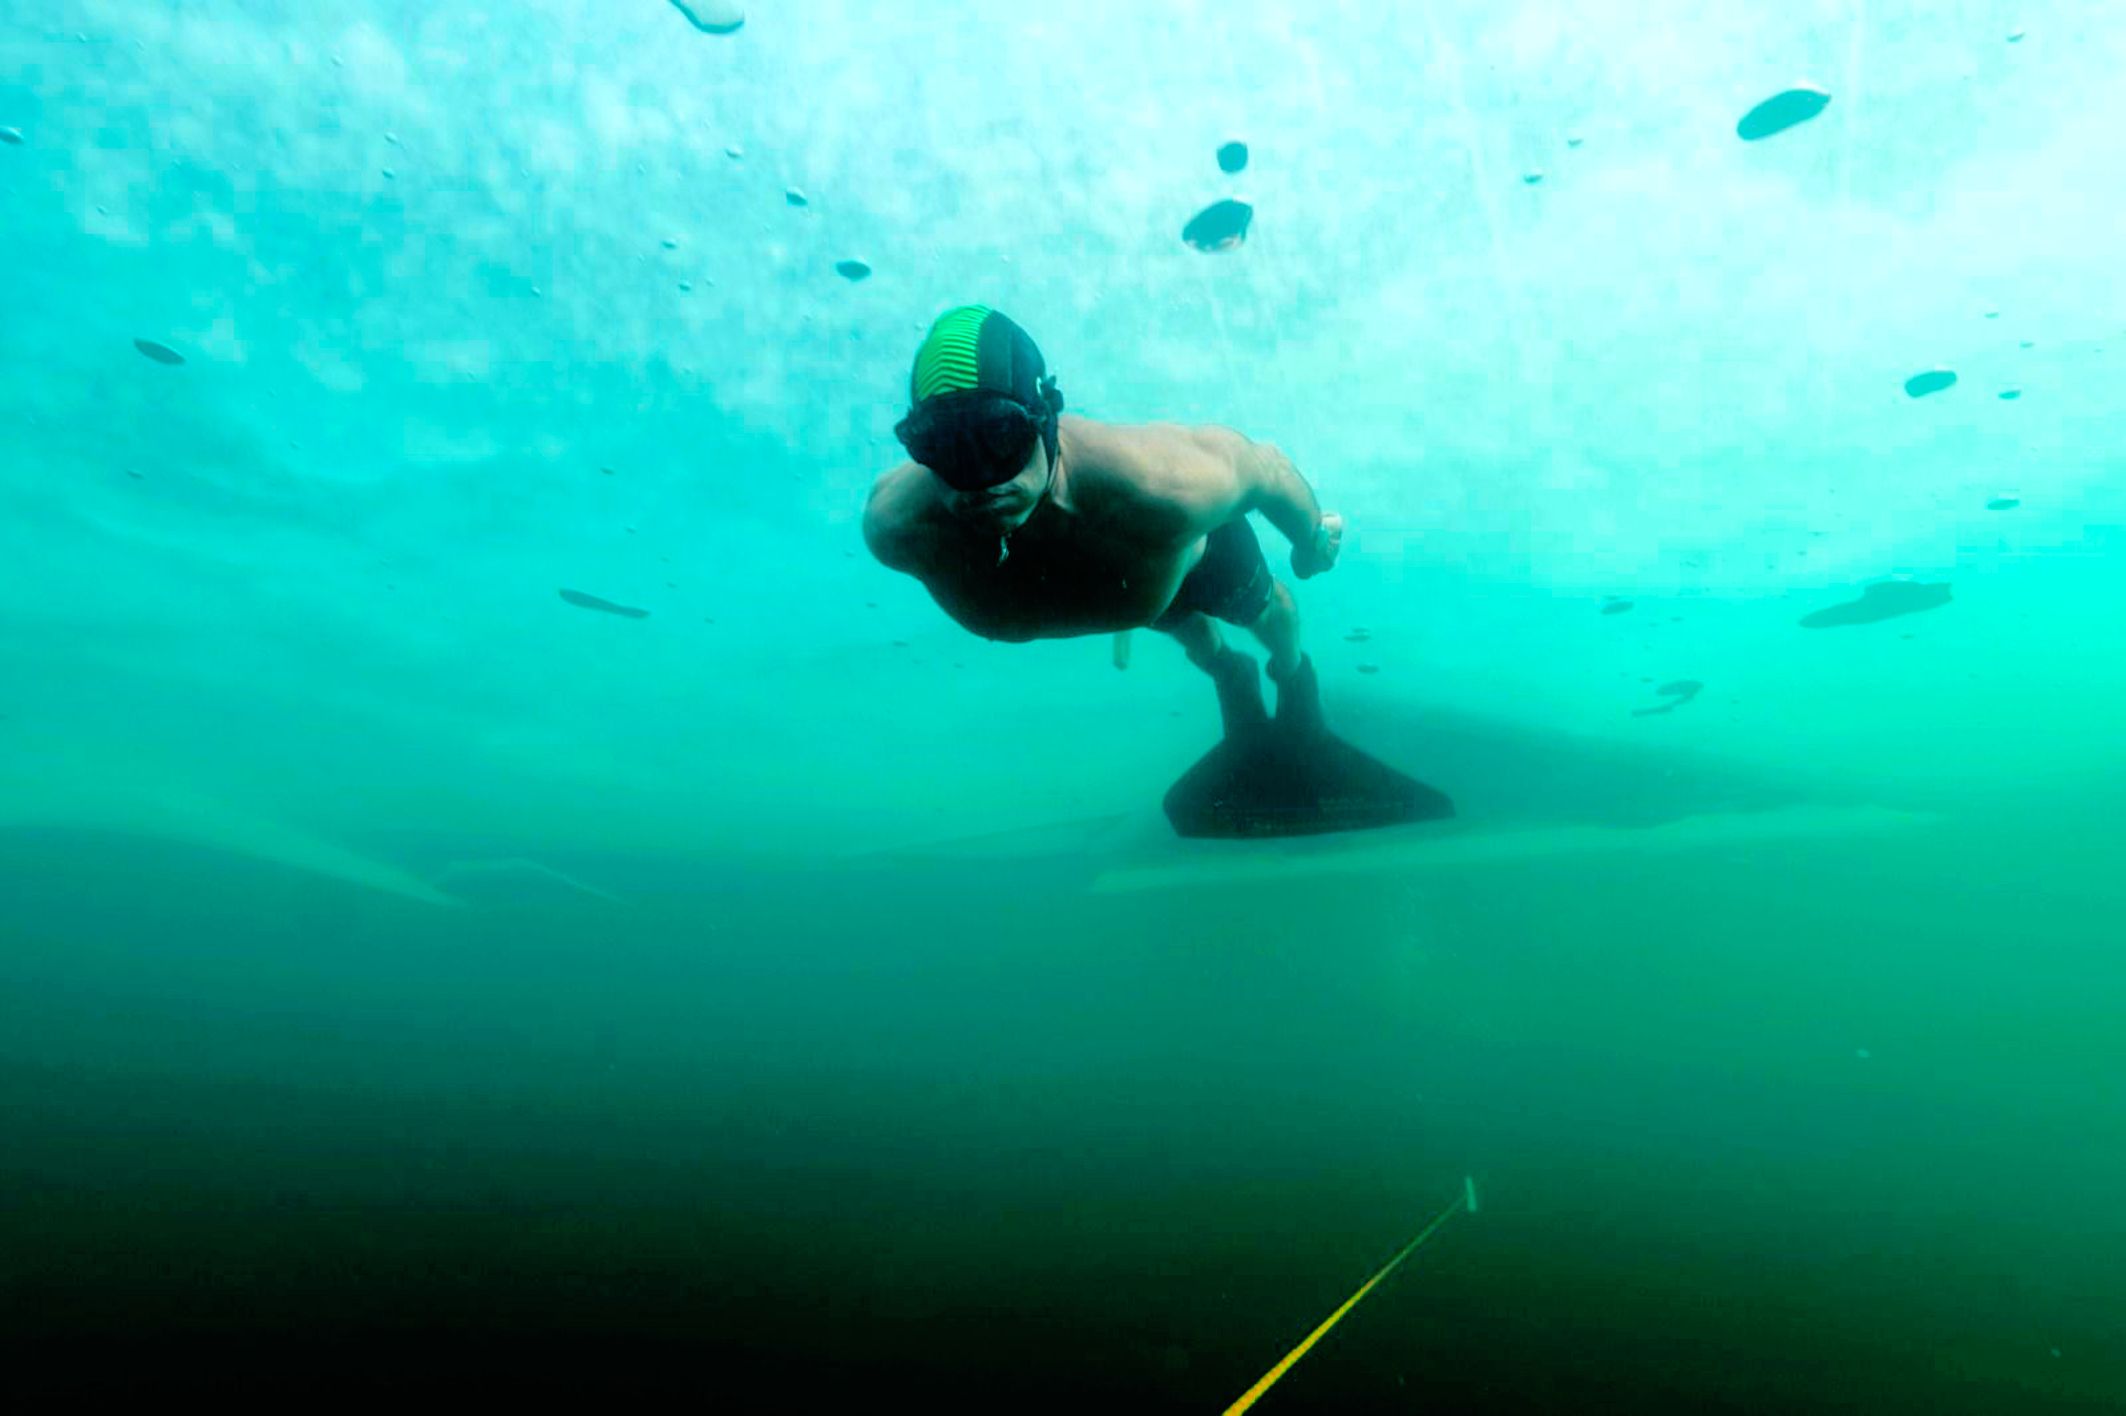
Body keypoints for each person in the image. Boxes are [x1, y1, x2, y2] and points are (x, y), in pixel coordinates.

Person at [862, 305, 1447, 837]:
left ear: (1045, 418)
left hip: (1186, 555)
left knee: (1268, 609)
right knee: (1184, 628)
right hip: (1135, 581)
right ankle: (1231, 674)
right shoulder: (900, 528)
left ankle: (1294, 684)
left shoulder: (1160, 490)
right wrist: (1308, 541)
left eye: (998, 437)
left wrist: (1311, 541)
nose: (978, 480)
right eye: (940, 447)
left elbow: (1265, 469)